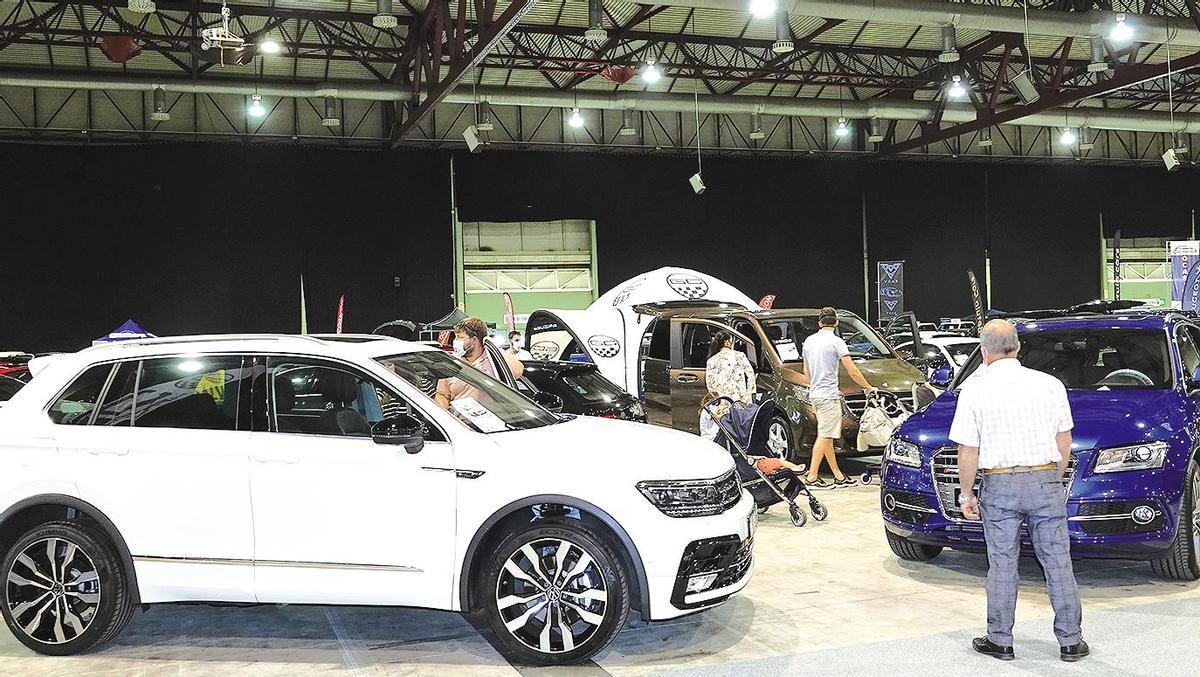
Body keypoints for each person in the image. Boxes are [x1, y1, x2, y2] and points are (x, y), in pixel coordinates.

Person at [949, 319, 1086, 663]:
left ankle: (1000, 640)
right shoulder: (1050, 384)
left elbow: (968, 449)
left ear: (983, 350)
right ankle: (1071, 642)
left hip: (999, 484)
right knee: (1057, 562)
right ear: (1018, 347)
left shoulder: (975, 389)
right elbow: (1064, 439)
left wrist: (966, 494)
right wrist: (1052, 477)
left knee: (1002, 564)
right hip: (1044, 480)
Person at [703, 331, 805, 474]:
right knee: (744, 428)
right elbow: (750, 375)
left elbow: (710, 384)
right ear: (727, 342)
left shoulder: (711, 361)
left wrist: (718, 401)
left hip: (722, 402)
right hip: (740, 401)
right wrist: (749, 396)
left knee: (727, 431)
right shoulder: (739, 356)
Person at [800, 307, 876, 489]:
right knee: (825, 435)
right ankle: (811, 477)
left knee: (826, 436)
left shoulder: (809, 342)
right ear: (836, 322)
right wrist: (868, 387)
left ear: (819, 322)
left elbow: (806, 372)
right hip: (828, 396)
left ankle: (838, 476)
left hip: (815, 395)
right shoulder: (837, 342)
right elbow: (852, 371)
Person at [436, 317, 524, 408]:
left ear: (474, 340)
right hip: (459, 420)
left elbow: (518, 371)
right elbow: (442, 395)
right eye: (456, 337)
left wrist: (493, 347)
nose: (455, 341)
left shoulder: (492, 359)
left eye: (460, 337)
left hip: (491, 420)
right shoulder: (451, 362)